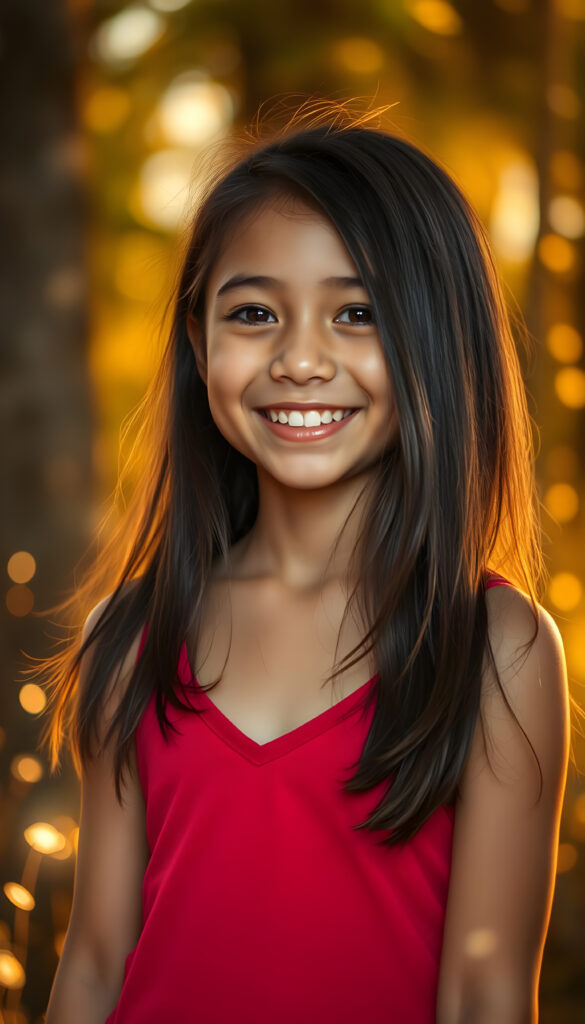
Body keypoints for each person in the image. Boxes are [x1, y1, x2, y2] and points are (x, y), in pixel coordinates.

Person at [41, 102, 569, 1023]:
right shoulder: (126, 638)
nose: (298, 359)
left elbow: (485, 992)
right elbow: (92, 965)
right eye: (253, 313)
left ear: (438, 341)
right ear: (198, 342)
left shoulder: (497, 647)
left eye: (356, 313)